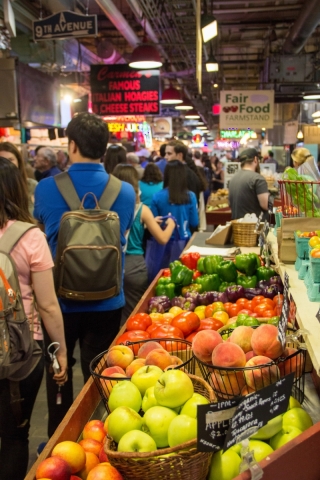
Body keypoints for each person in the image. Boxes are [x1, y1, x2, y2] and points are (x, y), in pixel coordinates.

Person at [33, 112, 136, 437]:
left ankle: (57, 443)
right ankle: (101, 441)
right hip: (107, 302)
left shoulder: (46, 188)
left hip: (59, 304)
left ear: (71, 144)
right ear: (104, 148)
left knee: (59, 378)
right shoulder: (125, 192)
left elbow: (41, 232)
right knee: (102, 380)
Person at [0, 157, 67, 480]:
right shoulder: (30, 237)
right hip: (20, 352)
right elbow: (48, 305)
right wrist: (61, 352)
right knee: (14, 437)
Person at [112, 164, 175, 324]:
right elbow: (162, 238)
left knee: (111, 316)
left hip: (111, 265)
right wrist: (172, 224)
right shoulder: (141, 209)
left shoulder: (107, 207)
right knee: (134, 316)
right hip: (135, 266)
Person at [150, 160, 199, 242]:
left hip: (163, 242)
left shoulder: (156, 196)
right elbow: (194, 222)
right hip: (184, 240)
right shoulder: (191, 196)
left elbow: (155, 223)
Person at [228, 148, 269, 220]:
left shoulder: (233, 179)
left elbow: (230, 203)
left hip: (236, 226)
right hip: (253, 227)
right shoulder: (258, 179)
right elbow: (265, 205)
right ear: (255, 159)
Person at [0, 142, 38, 216]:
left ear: (18, 161)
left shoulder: (32, 186)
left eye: (10, 160)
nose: (7, 164)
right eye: (2, 160)